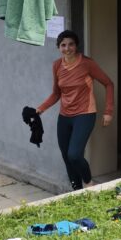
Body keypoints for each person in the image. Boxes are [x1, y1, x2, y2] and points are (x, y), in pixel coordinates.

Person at [35, 30, 114, 190]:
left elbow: (108, 83)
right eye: (63, 45)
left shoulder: (87, 63)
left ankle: (89, 183)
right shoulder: (57, 65)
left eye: (71, 44)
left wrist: (108, 111)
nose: (67, 48)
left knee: (74, 154)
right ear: (59, 47)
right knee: (66, 156)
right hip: (64, 116)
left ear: (76, 45)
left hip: (85, 114)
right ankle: (76, 191)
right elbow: (56, 93)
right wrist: (40, 109)